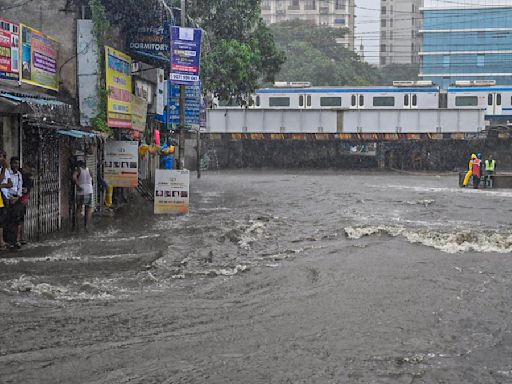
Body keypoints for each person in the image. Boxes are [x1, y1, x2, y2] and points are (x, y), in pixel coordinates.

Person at [6, 157, 24, 248]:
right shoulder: (7, 173)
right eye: (14, 163)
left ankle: (17, 240)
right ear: (11, 163)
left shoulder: (19, 174)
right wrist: (9, 198)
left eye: (17, 163)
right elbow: (5, 186)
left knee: (18, 218)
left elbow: (20, 187)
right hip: (8, 198)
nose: (16, 165)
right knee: (8, 220)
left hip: (16, 199)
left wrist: (17, 197)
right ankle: (10, 240)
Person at [73, 160, 94, 230]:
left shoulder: (78, 170)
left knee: (79, 208)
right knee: (88, 209)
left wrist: (77, 185)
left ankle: (77, 225)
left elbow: (74, 177)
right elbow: (92, 179)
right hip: (89, 190)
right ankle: (87, 225)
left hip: (81, 191)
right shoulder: (89, 170)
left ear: (79, 165)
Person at [0, 150, 13, 251]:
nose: (2, 159)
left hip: (5, 196)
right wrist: (4, 169)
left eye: (3, 157)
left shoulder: (6, 170)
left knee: (4, 220)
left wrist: (3, 185)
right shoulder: (4, 170)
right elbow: (1, 179)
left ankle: (3, 240)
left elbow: (10, 184)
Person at [19, 162, 34, 244]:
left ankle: (21, 237)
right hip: (19, 199)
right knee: (19, 219)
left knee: (21, 219)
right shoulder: (20, 175)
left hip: (23, 200)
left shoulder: (28, 178)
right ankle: (20, 238)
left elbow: (27, 190)